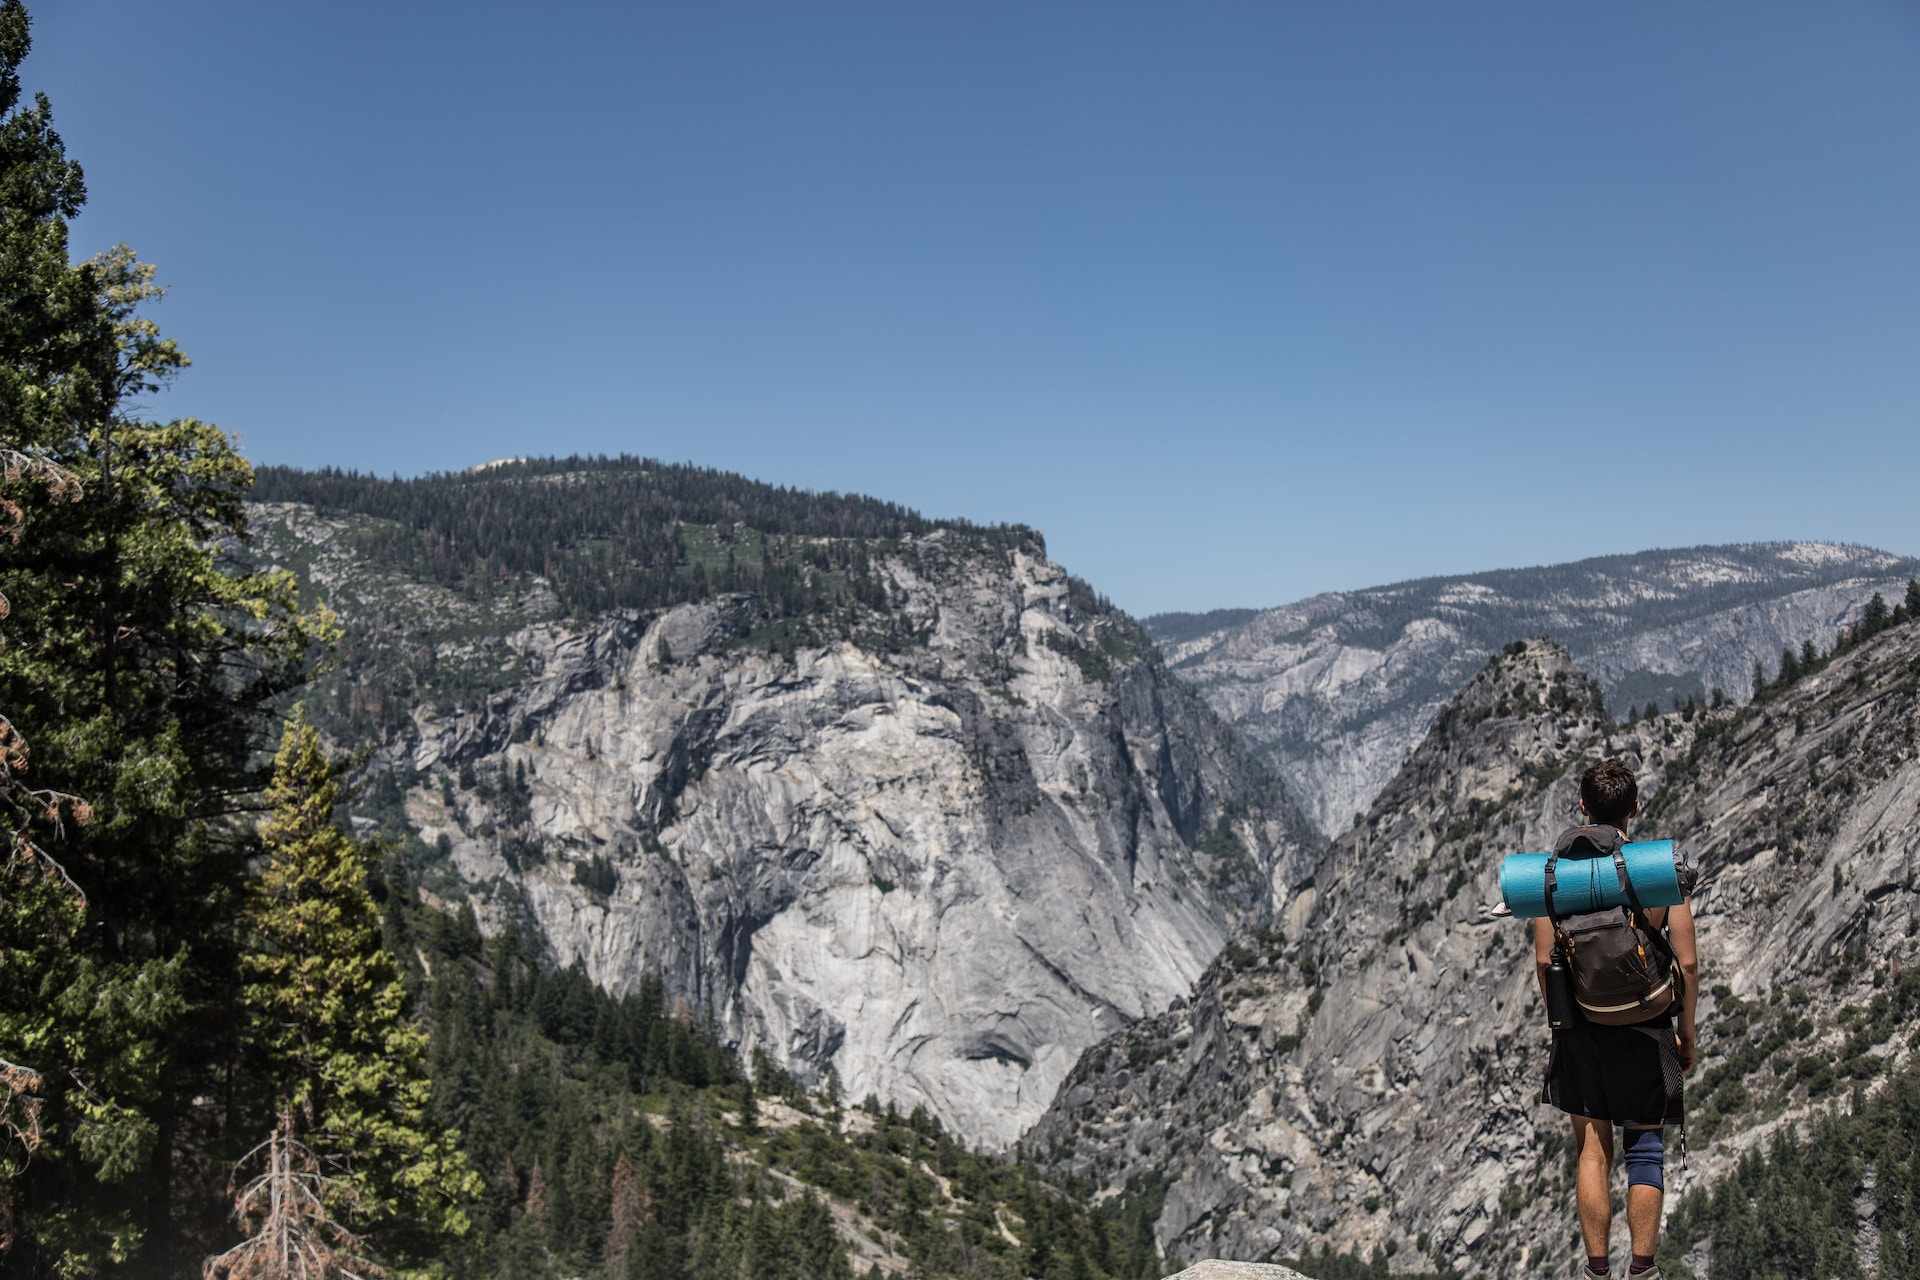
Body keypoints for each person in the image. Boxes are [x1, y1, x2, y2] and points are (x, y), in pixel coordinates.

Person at [1531, 759, 1698, 1279]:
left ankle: (1596, 1272)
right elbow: (1688, 961)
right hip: (1647, 1030)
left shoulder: (1556, 877)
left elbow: (1543, 960)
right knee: (1645, 1147)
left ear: (1581, 808)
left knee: (1591, 1150)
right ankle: (1643, 1270)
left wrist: (1565, 1020)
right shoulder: (1654, 873)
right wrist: (1685, 1031)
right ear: (1634, 809)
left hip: (1582, 1032)